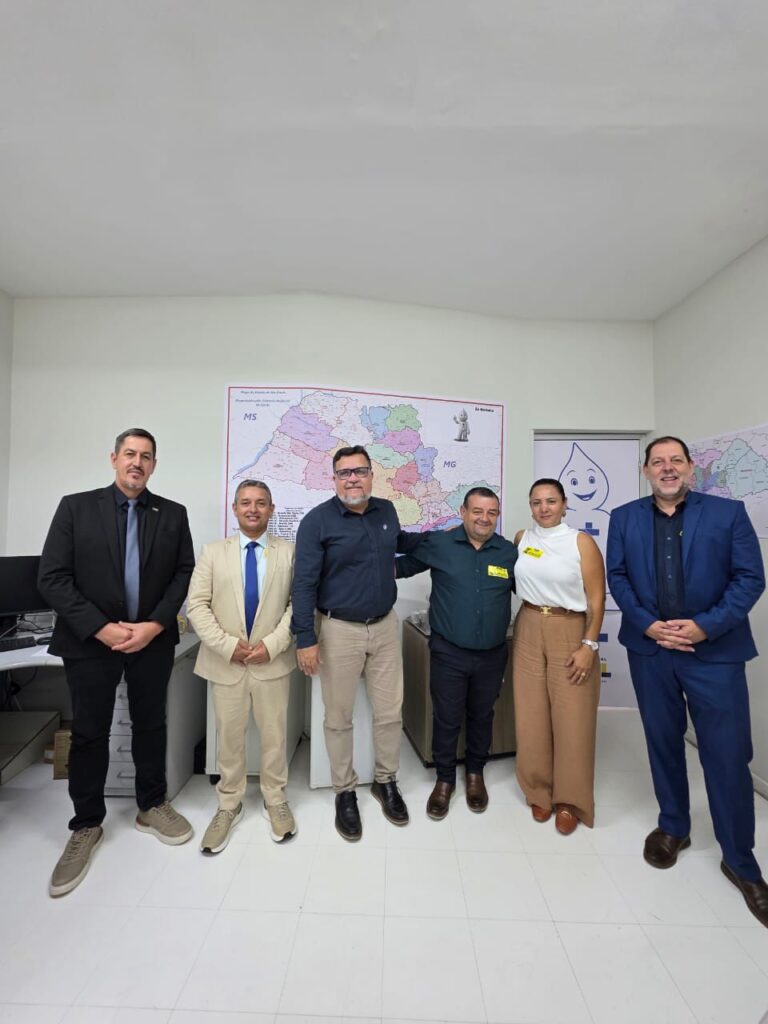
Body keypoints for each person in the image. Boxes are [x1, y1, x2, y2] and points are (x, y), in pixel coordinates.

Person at [607, 436, 768, 927]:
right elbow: (618, 577)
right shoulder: (624, 518)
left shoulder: (727, 514)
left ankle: (739, 860)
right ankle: (674, 826)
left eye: (676, 460)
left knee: (727, 754)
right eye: (658, 461)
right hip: (651, 651)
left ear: (691, 468)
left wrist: (705, 626)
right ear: (645, 471)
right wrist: (648, 625)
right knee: (662, 742)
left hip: (713, 653)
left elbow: (750, 578)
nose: (667, 468)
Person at [38, 428, 195, 897]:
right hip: (90, 641)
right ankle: (86, 824)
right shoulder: (75, 508)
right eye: (130, 453)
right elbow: (52, 577)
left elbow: (183, 572)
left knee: (151, 724)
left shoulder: (172, 513)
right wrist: (101, 627)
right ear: (114, 459)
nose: (137, 462)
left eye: (146, 456)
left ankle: (151, 805)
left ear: (154, 465)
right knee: (90, 732)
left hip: (151, 640)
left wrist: (154, 624)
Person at [291, 445, 410, 841]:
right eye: (345, 473)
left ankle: (386, 781)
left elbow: (399, 549)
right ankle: (344, 790)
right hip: (337, 631)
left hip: (385, 627)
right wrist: (305, 639)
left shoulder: (386, 512)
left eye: (360, 471)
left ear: (372, 475)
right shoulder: (317, 522)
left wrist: (444, 545)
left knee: (389, 713)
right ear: (335, 479)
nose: (353, 479)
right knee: (338, 717)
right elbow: (303, 584)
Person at [187, 480, 297, 851]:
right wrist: (227, 646)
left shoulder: (289, 553)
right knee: (229, 739)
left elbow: (297, 605)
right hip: (226, 664)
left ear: (271, 509)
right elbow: (197, 606)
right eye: (246, 503)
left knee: (274, 737)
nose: (253, 509)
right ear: (234, 509)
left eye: (261, 503)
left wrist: (272, 645)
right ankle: (228, 804)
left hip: (271, 662)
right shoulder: (213, 552)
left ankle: (275, 798)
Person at [395, 487, 517, 818]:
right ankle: (445, 779)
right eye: (477, 511)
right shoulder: (441, 545)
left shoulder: (508, 553)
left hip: (492, 654)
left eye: (491, 512)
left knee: (482, 715)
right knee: (447, 718)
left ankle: (475, 774)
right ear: (463, 512)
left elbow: (534, 587)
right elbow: (399, 568)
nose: (484, 518)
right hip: (449, 652)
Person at [512, 478, 605, 834]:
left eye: (551, 501)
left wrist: (589, 645)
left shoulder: (580, 542)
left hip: (570, 629)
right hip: (529, 624)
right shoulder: (522, 539)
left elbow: (597, 599)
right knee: (530, 714)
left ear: (565, 504)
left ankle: (570, 800)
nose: (544, 508)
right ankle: (539, 790)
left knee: (573, 717)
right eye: (537, 502)